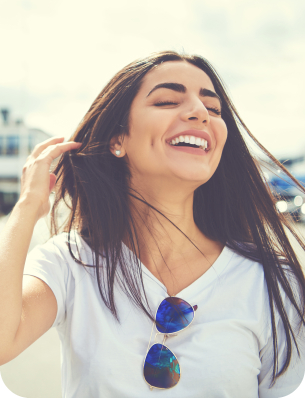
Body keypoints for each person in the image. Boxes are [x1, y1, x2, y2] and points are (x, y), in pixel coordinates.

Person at [0, 51, 304, 398]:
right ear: (118, 140)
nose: (200, 112)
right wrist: (26, 207)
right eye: (167, 101)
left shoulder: (273, 283)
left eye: (214, 109)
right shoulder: (71, 263)